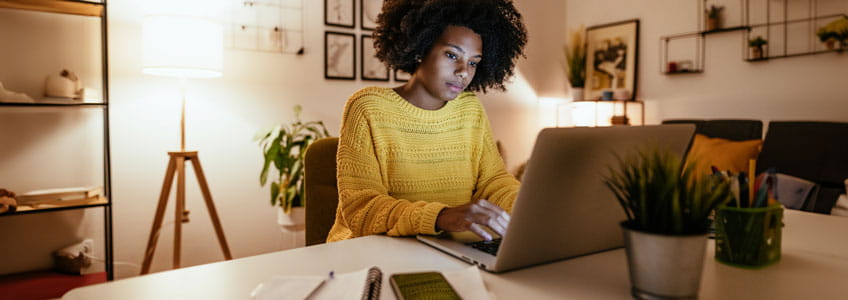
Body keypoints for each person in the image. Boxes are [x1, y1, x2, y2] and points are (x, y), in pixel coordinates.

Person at [326, 0, 528, 242]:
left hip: (448, 249)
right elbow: (362, 209)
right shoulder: (368, 107)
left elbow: (493, 182)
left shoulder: (469, 109)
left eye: (473, 62)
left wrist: (528, 206)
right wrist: (439, 216)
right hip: (373, 253)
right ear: (420, 47)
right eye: (452, 55)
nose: (464, 71)